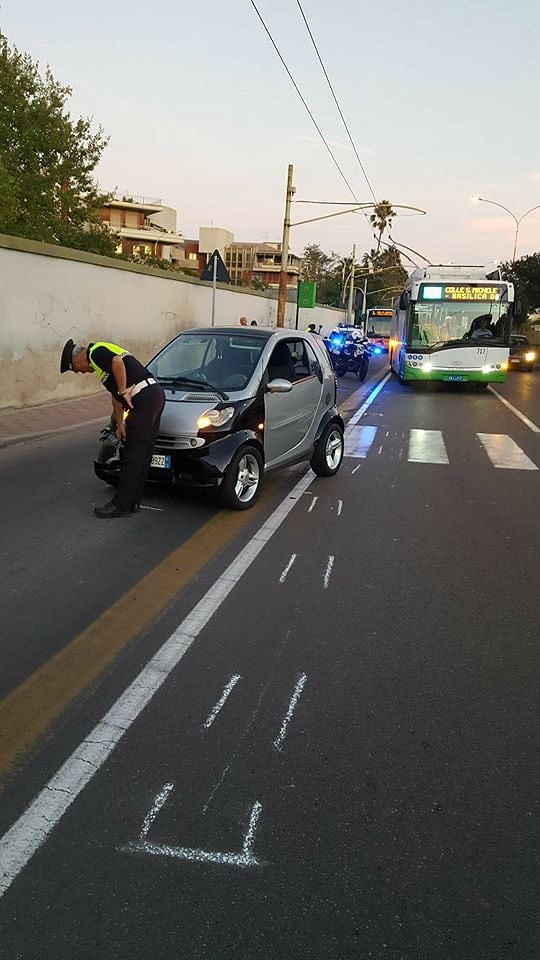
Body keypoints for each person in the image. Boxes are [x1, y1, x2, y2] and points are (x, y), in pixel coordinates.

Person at [60, 339, 165, 519]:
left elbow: (117, 363)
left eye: (77, 370)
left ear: (77, 361)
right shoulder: (101, 362)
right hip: (153, 396)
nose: (82, 373)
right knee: (143, 454)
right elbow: (115, 395)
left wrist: (124, 390)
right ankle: (133, 502)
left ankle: (120, 505)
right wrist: (119, 424)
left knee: (132, 456)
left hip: (145, 398)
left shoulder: (95, 352)